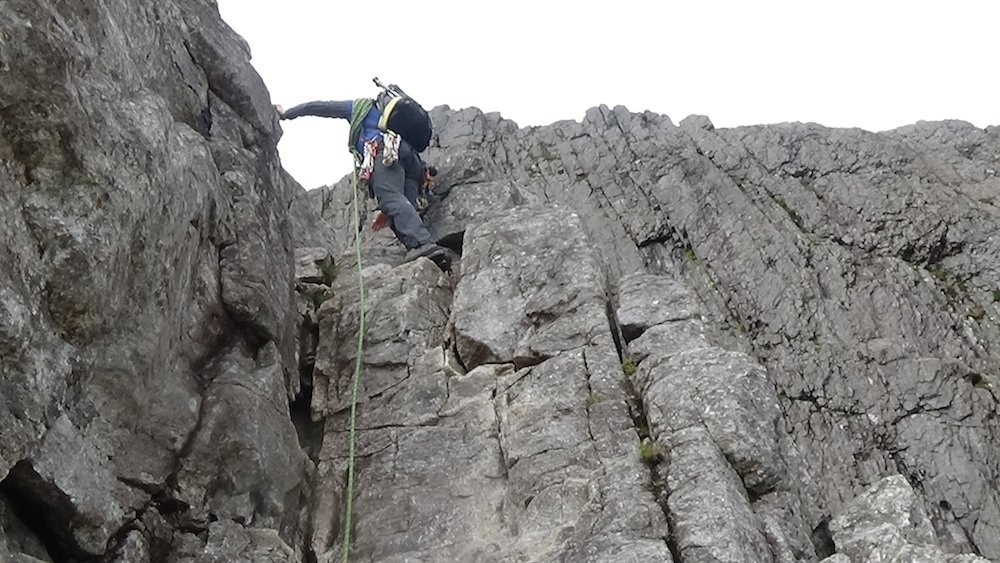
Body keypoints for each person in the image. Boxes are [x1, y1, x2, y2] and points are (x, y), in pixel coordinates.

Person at [276, 93, 451, 271]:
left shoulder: (361, 107)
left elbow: (319, 107)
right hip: (413, 163)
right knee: (400, 208)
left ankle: (423, 244)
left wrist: (288, 113)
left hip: (385, 151)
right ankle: (426, 253)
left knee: (391, 200)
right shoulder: (394, 124)